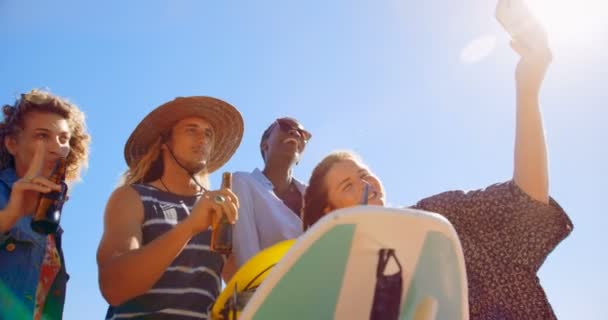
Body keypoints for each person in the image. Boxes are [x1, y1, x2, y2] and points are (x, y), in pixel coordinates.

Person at [301, 41, 573, 319]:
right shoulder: (337, 292)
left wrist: (527, 89)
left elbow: (528, 201)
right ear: (329, 212)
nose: (364, 184)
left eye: (363, 174)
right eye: (348, 185)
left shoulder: (438, 214)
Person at [96, 96, 242, 319]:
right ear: (165, 142)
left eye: (208, 133)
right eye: (191, 130)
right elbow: (114, 288)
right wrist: (190, 227)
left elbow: (237, 287)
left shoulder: (217, 209)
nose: (203, 138)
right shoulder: (131, 197)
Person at [0, 89, 91, 320]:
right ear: (12, 144)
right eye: (42, 136)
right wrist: (11, 214)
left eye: (63, 139)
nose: (56, 147)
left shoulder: (52, 223)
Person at [231, 117, 311, 268]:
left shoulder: (313, 195)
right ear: (264, 144)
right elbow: (246, 251)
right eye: (285, 126)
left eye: (304, 133)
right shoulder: (243, 183)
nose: (296, 133)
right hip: (267, 289)